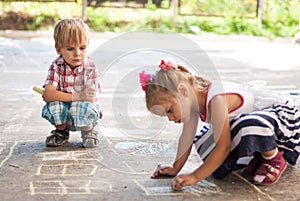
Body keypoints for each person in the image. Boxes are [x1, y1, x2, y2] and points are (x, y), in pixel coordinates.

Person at [139, 58, 300, 190]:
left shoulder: (216, 100)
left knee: (245, 126)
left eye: (169, 110)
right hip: (263, 126)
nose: (170, 118)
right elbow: (187, 138)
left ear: (183, 91)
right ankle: (259, 155)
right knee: (205, 144)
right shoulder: (192, 104)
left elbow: (224, 147)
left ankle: (274, 158)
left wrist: (195, 176)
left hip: (284, 123)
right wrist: (175, 168)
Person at [41, 18, 102, 148]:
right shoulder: (56, 66)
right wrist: (78, 96)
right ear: (59, 49)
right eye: (70, 49)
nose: (77, 54)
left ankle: (88, 131)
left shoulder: (90, 67)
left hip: (83, 111)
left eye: (82, 48)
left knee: (81, 106)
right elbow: (49, 95)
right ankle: (61, 132)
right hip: (65, 111)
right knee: (54, 105)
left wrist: (59, 95)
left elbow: (89, 98)